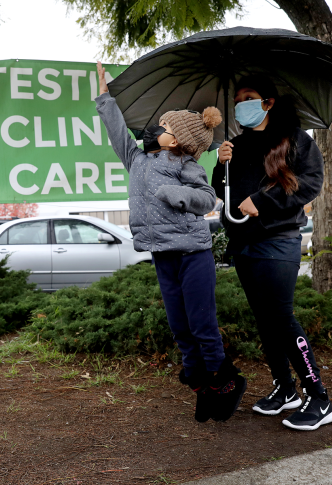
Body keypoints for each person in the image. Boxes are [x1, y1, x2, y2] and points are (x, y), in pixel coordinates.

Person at [96, 62, 246, 423]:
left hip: (193, 253)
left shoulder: (184, 165)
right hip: (162, 254)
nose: (154, 130)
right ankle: (201, 386)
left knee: (201, 324)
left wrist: (174, 193)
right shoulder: (137, 160)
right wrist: (105, 97)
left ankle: (226, 382)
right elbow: (118, 133)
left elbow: (207, 198)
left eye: (162, 127)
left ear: (176, 140)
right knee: (180, 327)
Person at [212, 75, 332, 431]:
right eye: (236, 99)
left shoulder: (295, 139)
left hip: (279, 240)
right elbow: (219, 191)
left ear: (267, 103)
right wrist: (222, 165)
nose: (240, 104)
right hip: (244, 243)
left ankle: (319, 397)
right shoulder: (235, 145)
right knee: (264, 320)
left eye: (248, 97)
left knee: (281, 317)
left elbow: (311, 182)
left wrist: (263, 202)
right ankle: (285, 388)